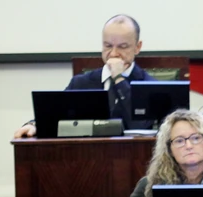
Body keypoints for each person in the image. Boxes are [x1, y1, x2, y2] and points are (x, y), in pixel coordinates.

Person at [13, 14, 156, 138]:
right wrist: (34, 125)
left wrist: (119, 79)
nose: (113, 53)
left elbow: (141, 125)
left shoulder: (148, 85)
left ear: (137, 47)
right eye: (107, 46)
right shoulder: (81, 83)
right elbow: (55, 117)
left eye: (122, 47)